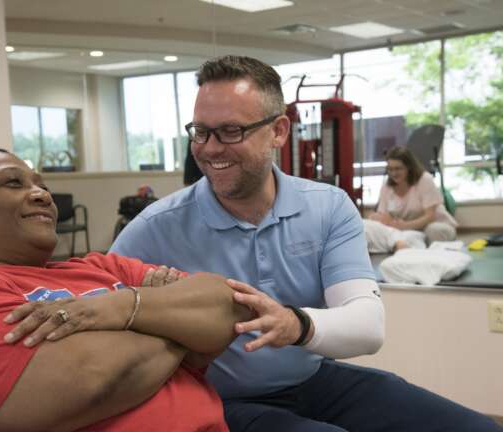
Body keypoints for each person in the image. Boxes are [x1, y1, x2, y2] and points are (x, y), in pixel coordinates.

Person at [110, 55, 502, 432]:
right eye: (201, 131)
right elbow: (92, 308)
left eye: (231, 131)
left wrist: (295, 324)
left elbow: (368, 325)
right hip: (220, 401)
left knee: (472, 427)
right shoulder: (156, 227)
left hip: (312, 380)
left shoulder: (327, 206)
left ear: (279, 131)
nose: (210, 149)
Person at [0, 148, 250, 431]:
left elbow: (229, 305)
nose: (42, 194)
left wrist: (119, 307)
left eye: (42, 184)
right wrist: (178, 327)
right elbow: (90, 378)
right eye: (13, 183)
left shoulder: (99, 267)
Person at [369, 145, 458, 245]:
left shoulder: (425, 180)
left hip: (434, 225)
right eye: (390, 169)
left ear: (409, 167)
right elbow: (383, 215)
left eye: (398, 168)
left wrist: (404, 226)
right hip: (407, 231)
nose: (393, 173)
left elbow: (430, 216)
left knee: (433, 231)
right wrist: (377, 218)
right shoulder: (387, 186)